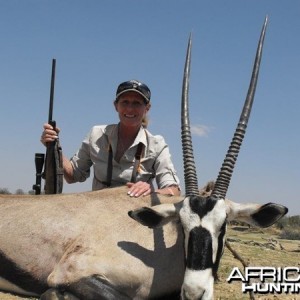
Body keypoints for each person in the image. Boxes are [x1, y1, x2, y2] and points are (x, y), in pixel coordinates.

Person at [41, 79, 181, 197]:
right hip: (97, 213)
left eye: (137, 103)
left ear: (147, 108)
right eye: (125, 102)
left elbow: (174, 190)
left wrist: (151, 191)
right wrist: (53, 145)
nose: (130, 109)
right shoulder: (96, 134)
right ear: (116, 106)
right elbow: (73, 175)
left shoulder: (157, 144)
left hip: (135, 216)